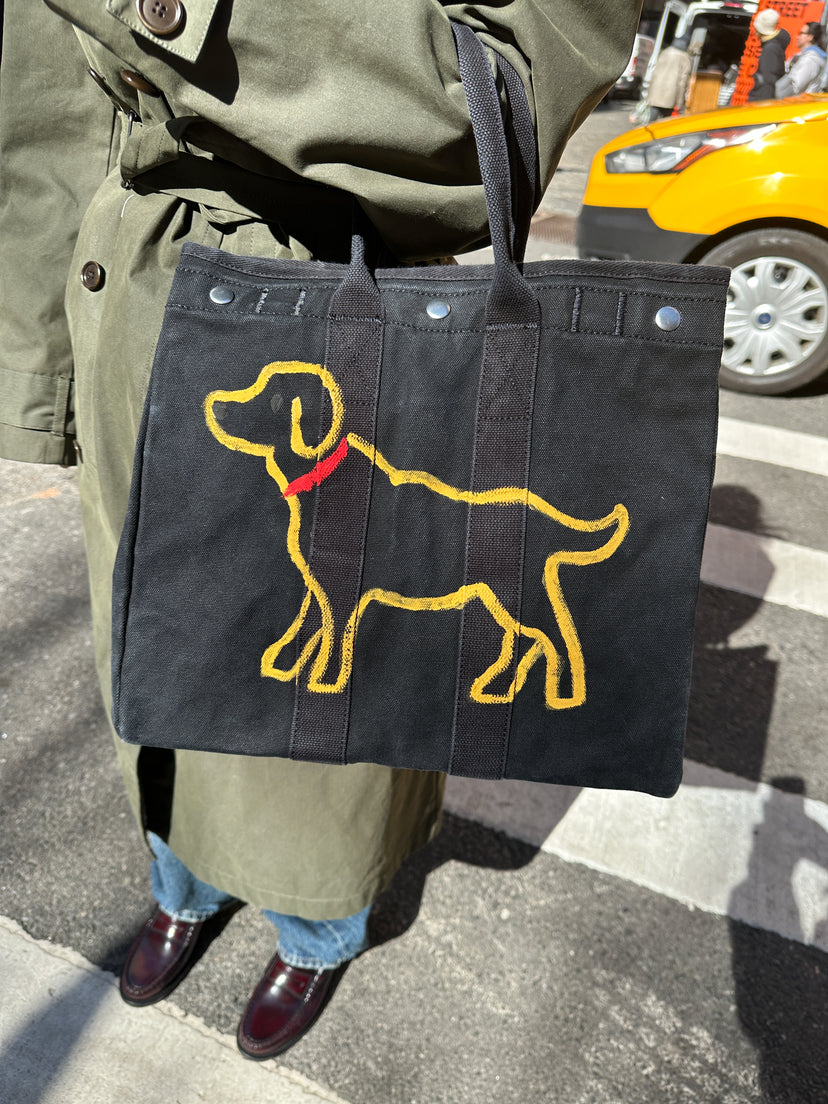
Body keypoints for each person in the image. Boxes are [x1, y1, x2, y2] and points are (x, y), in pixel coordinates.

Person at [0, 0, 643, 1061]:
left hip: (350, 309)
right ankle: (183, 881)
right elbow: (42, 113)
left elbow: (499, 98)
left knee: (328, 730)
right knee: (165, 667)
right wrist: (43, 375)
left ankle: (316, 926)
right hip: (136, 299)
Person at [747, 10, 791, 101]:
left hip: (762, 99)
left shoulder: (770, 49)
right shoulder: (774, 46)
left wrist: (761, 102)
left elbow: (768, 80)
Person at [646, 35, 693, 118]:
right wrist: (679, 102)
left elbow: (655, 72)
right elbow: (683, 81)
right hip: (671, 95)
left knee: (652, 118)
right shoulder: (685, 58)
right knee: (665, 120)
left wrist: (649, 92)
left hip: (656, 90)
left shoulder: (665, 52)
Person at [775, 21, 827, 96]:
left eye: (801, 33)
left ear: (810, 37)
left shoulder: (811, 59)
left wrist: (775, 94)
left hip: (798, 101)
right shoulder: (804, 56)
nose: (797, 37)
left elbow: (795, 86)